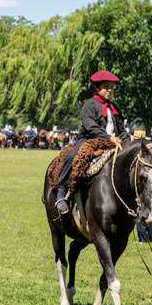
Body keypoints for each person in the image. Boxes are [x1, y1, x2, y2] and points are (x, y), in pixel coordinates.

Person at [54, 70, 130, 214]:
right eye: (106, 87)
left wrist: (128, 139)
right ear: (98, 87)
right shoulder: (89, 105)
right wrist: (108, 138)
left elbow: (122, 130)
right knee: (72, 157)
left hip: (114, 143)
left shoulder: (115, 108)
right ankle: (60, 192)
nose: (110, 90)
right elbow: (91, 126)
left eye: (112, 88)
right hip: (90, 141)